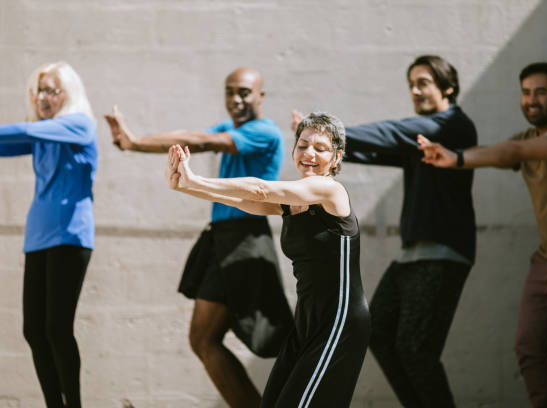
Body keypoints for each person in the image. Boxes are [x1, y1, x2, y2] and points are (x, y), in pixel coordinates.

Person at [418, 62, 547, 408]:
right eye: (525, 93)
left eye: (540, 92)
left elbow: (514, 154)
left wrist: (456, 158)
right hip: (546, 260)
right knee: (528, 347)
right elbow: (496, 153)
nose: (531, 100)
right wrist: (449, 156)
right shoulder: (524, 138)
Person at [292, 55, 477, 407]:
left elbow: (390, 133)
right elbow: (380, 148)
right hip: (413, 254)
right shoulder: (422, 141)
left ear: (448, 88)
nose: (415, 90)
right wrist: (329, 151)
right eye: (411, 84)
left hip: (443, 253)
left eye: (423, 82)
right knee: (379, 337)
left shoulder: (452, 126)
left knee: (415, 350)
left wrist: (330, 134)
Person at [104, 67, 293, 408]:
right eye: (230, 91)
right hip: (222, 237)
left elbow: (205, 142)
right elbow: (188, 136)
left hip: (245, 239)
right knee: (203, 340)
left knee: (206, 339)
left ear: (261, 97)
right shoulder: (230, 127)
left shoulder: (264, 131)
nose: (236, 99)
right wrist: (134, 145)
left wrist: (136, 141)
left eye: (244, 92)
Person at [165, 112, 371, 407]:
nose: (309, 154)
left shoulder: (329, 190)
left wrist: (196, 177)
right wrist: (187, 185)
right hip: (307, 321)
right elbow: (246, 201)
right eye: (302, 145)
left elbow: (259, 188)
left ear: (336, 158)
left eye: (320, 148)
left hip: (339, 320)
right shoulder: (294, 202)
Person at [0, 61, 97, 407]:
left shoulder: (79, 125)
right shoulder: (39, 134)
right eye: (38, 91)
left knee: (57, 329)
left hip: (70, 237)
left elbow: (21, 132)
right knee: (33, 331)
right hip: (38, 237)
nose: (42, 98)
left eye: (51, 91)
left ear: (67, 95)